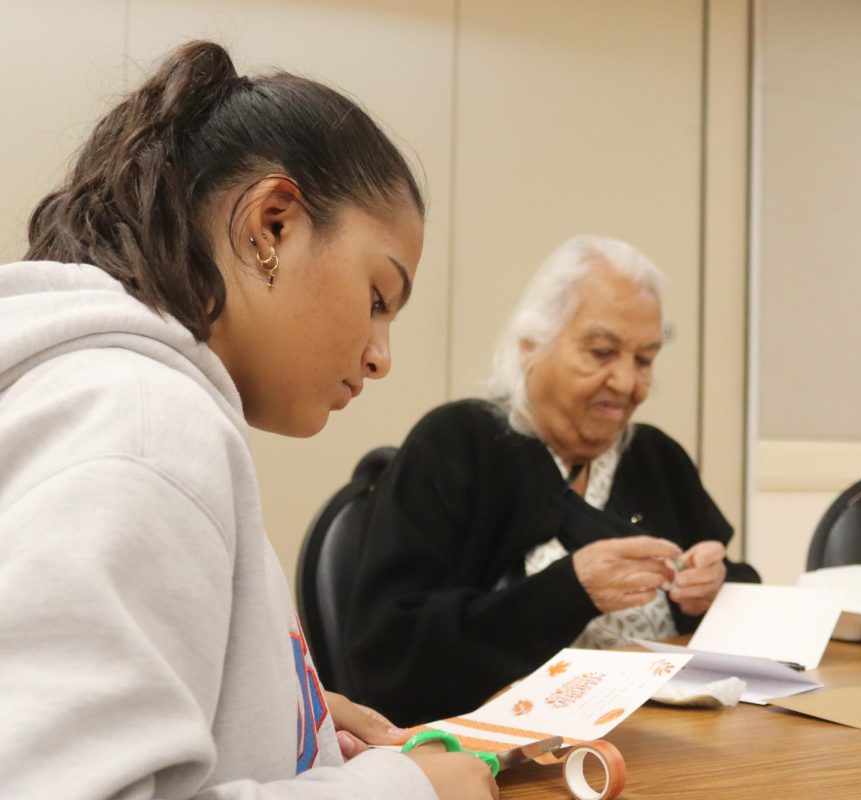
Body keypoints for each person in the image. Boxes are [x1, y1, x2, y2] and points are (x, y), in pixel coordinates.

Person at [0, 41, 496, 800]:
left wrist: (268, 708)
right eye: (375, 298)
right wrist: (406, 793)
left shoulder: (124, 410)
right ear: (270, 226)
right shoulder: (142, 433)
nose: (379, 357)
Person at [346, 234, 760, 726]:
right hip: (499, 760)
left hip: (668, 743)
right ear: (530, 347)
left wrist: (715, 590)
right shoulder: (458, 446)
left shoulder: (656, 458)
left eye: (644, 359)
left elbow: (743, 596)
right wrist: (569, 591)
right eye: (603, 352)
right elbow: (388, 658)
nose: (629, 383)